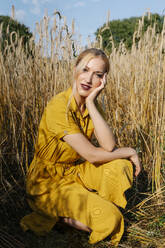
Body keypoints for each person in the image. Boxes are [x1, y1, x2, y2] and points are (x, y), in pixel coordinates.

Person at [20, 48, 141, 246]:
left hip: (73, 172)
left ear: (103, 80)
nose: (88, 78)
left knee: (120, 166)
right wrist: (130, 151)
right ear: (75, 69)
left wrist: (92, 103)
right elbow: (91, 155)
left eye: (97, 75)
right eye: (85, 70)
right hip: (46, 182)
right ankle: (50, 212)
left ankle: (87, 206)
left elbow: (109, 146)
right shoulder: (59, 107)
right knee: (112, 219)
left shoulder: (92, 105)